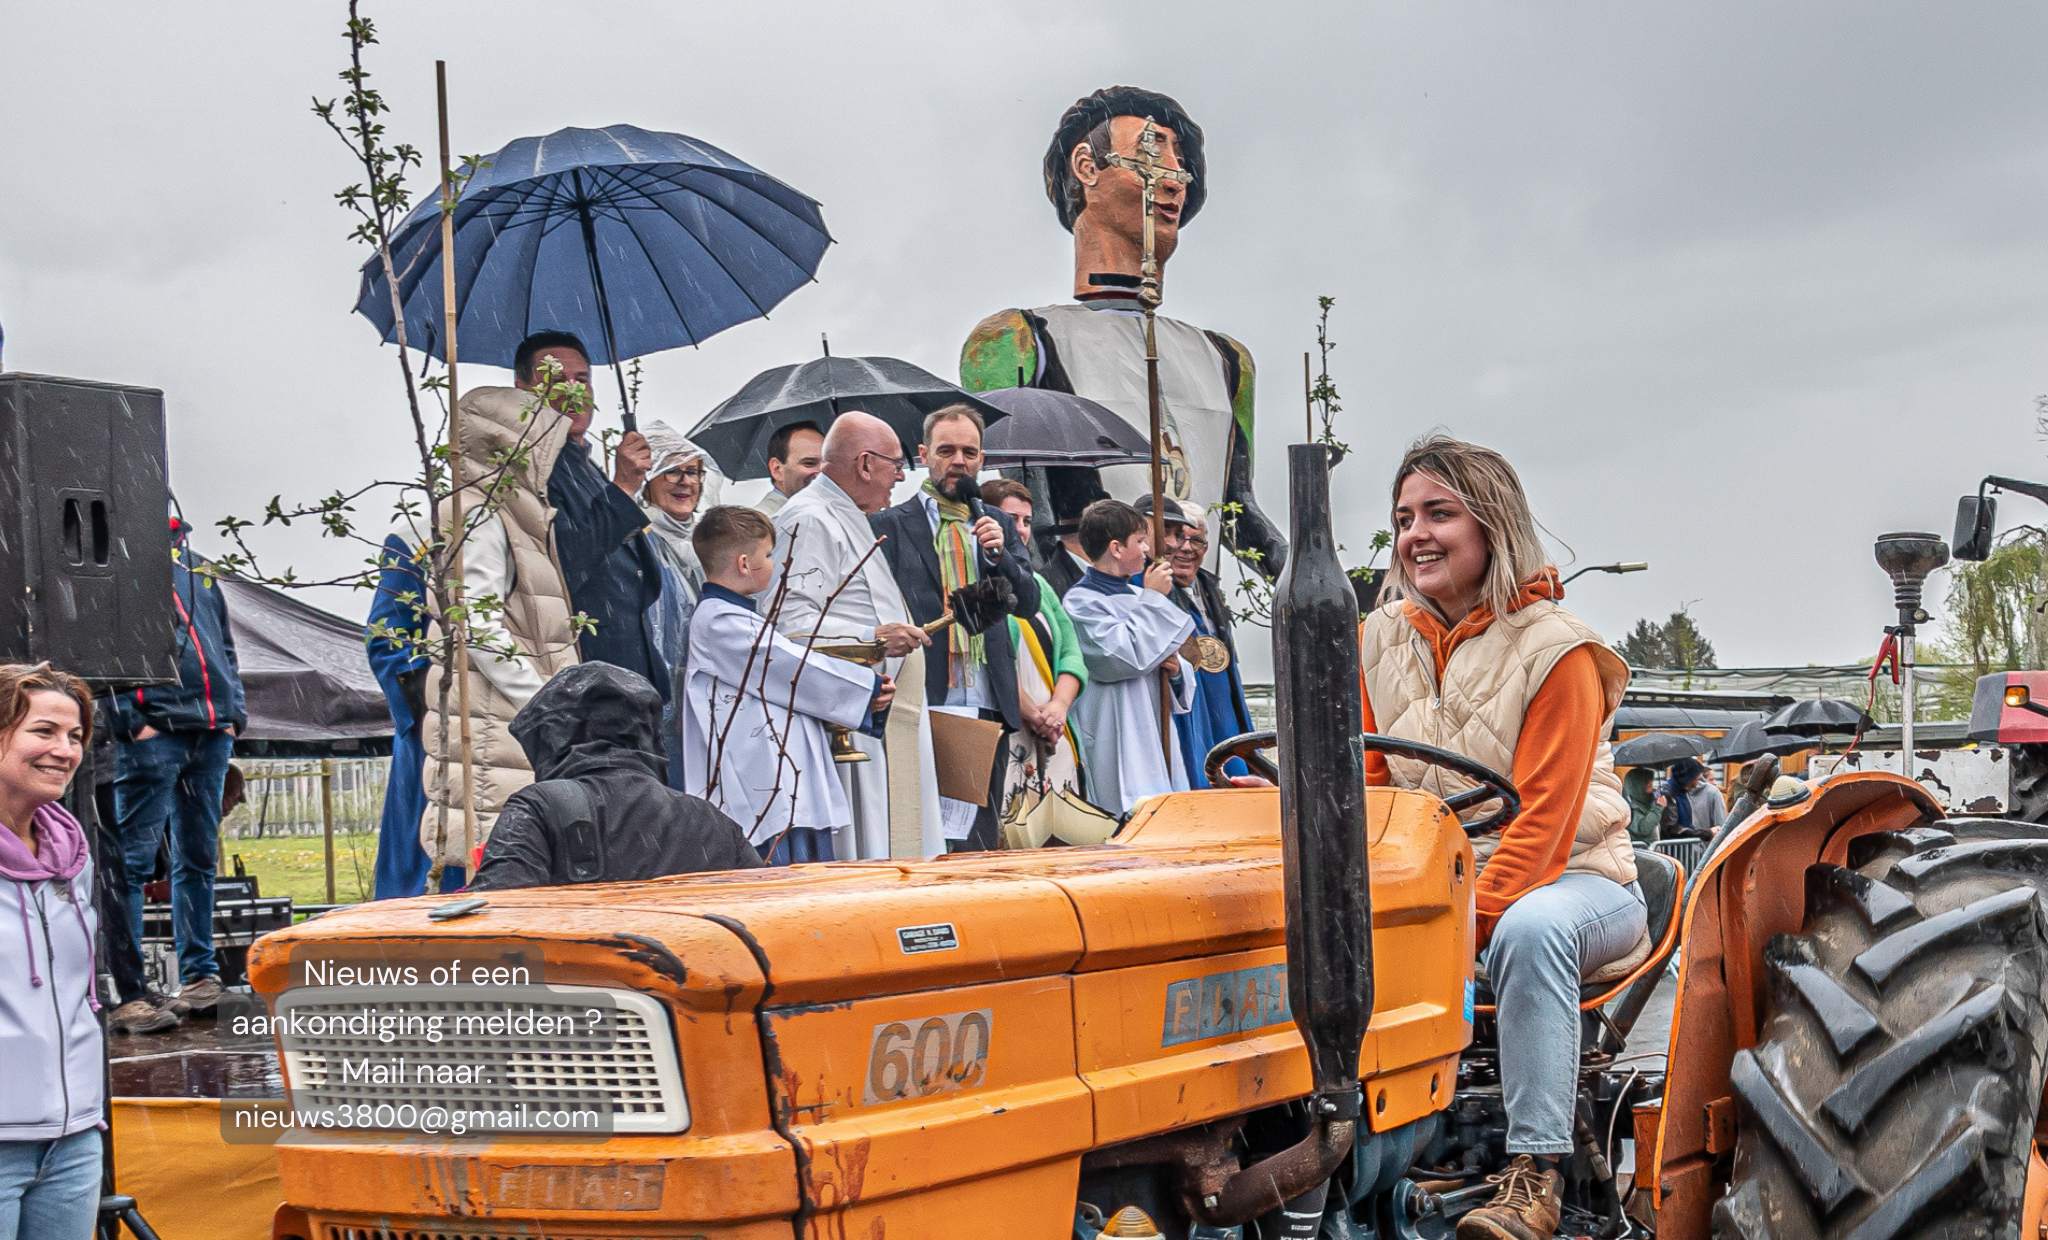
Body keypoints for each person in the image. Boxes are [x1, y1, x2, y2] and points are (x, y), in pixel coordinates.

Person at [1355, 436, 1639, 1240]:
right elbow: (1374, 795)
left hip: (1582, 886)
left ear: (1492, 526)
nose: (1417, 535)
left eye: (1440, 513)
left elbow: (1543, 829)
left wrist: (1446, 936)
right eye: (1405, 517)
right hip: (1437, 889)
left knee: (1531, 929)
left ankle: (1534, 1175)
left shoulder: (1559, 650)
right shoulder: (1376, 640)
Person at [960, 86, 1286, 581]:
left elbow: (1239, 515)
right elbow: (1027, 515)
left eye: (1181, 163)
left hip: (1202, 621)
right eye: (1152, 153)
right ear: (1087, 167)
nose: (1175, 179)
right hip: (1092, 617)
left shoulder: (1226, 359)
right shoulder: (1016, 339)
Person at [870, 405, 1041, 851]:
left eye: (969, 451)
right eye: (946, 450)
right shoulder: (889, 525)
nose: (958, 461)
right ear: (924, 454)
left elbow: (1029, 603)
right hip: (926, 696)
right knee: (927, 830)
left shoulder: (997, 523)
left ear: (982, 459)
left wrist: (1001, 555)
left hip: (987, 696)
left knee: (979, 838)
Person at [769, 411, 939, 857]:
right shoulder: (807, 518)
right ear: (864, 464)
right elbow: (786, 625)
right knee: (869, 848)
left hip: (882, 713)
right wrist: (873, 637)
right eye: (895, 465)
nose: (901, 477)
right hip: (850, 717)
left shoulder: (847, 513)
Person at [683, 507, 895, 862]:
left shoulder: (737, 617)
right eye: (768, 556)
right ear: (744, 563)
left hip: (779, 781)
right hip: (761, 786)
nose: (775, 565)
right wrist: (866, 689)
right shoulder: (718, 622)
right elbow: (789, 666)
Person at [104, 518, 245, 1016]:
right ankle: (131, 990)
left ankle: (199, 977)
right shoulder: (115, 566)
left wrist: (234, 715)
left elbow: (226, 646)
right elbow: (102, 645)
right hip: (155, 732)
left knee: (198, 858)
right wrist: (129, 719)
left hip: (210, 730)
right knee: (134, 864)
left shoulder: (198, 569)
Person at [470, 662, 760, 889]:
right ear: (650, 735)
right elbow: (767, 905)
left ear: (552, 738)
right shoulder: (713, 821)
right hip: (697, 964)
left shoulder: (540, 807)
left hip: (580, 965)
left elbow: (494, 923)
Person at [0, 663, 105, 1239]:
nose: (64, 750)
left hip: (73, 1142)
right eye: (43, 731)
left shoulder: (72, 854)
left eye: (74, 736)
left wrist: (83, 1121)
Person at [1064, 499, 1197, 812]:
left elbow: (1172, 658)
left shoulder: (1143, 596)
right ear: (1116, 548)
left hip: (1154, 726)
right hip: (1116, 733)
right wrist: (1152, 599)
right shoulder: (1081, 603)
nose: (1148, 550)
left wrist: (1177, 671)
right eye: (1139, 541)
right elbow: (1119, 659)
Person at [982, 479, 1087, 829]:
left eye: (1027, 521)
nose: (1022, 531)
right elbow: (988, 660)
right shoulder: (976, 581)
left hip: (1052, 729)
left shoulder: (1039, 585)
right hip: (1011, 726)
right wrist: (1031, 713)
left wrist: (1057, 709)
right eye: (1012, 520)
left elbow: (1071, 652)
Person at [365, 535, 462, 897]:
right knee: (425, 876)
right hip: (436, 736)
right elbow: (385, 640)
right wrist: (430, 709)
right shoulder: (418, 536)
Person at [1144, 496, 1255, 788]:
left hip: (1223, 706)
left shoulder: (1209, 587)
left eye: (1197, 541)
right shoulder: (1151, 589)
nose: (1186, 549)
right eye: (1178, 539)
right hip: (1188, 710)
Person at [636, 421, 724, 787]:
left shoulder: (709, 539)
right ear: (648, 479)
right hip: (664, 704)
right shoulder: (642, 539)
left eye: (693, 472)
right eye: (672, 471)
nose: (685, 481)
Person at [755, 421, 824, 517]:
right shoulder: (759, 527)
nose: (822, 473)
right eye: (809, 463)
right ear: (777, 469)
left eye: (826, 464)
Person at [1663, 757, 1725, 841]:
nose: (1697, 782)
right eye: (1696, 778)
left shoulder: (1681, 792)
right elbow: (1672, 829)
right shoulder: (1668, 794)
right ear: (1688, 778)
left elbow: (1687, 825)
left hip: (1682, 850)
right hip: (1672, 851)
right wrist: (1707, 833)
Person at [1622, 766, 1662, 846]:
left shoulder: (1646, 802)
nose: (1651, 786)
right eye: (1648, 783)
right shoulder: (1630, 806)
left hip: (1650, 851)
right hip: (1640, 853)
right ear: (1639, 784)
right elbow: (1642, 829)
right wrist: (1658, 808)